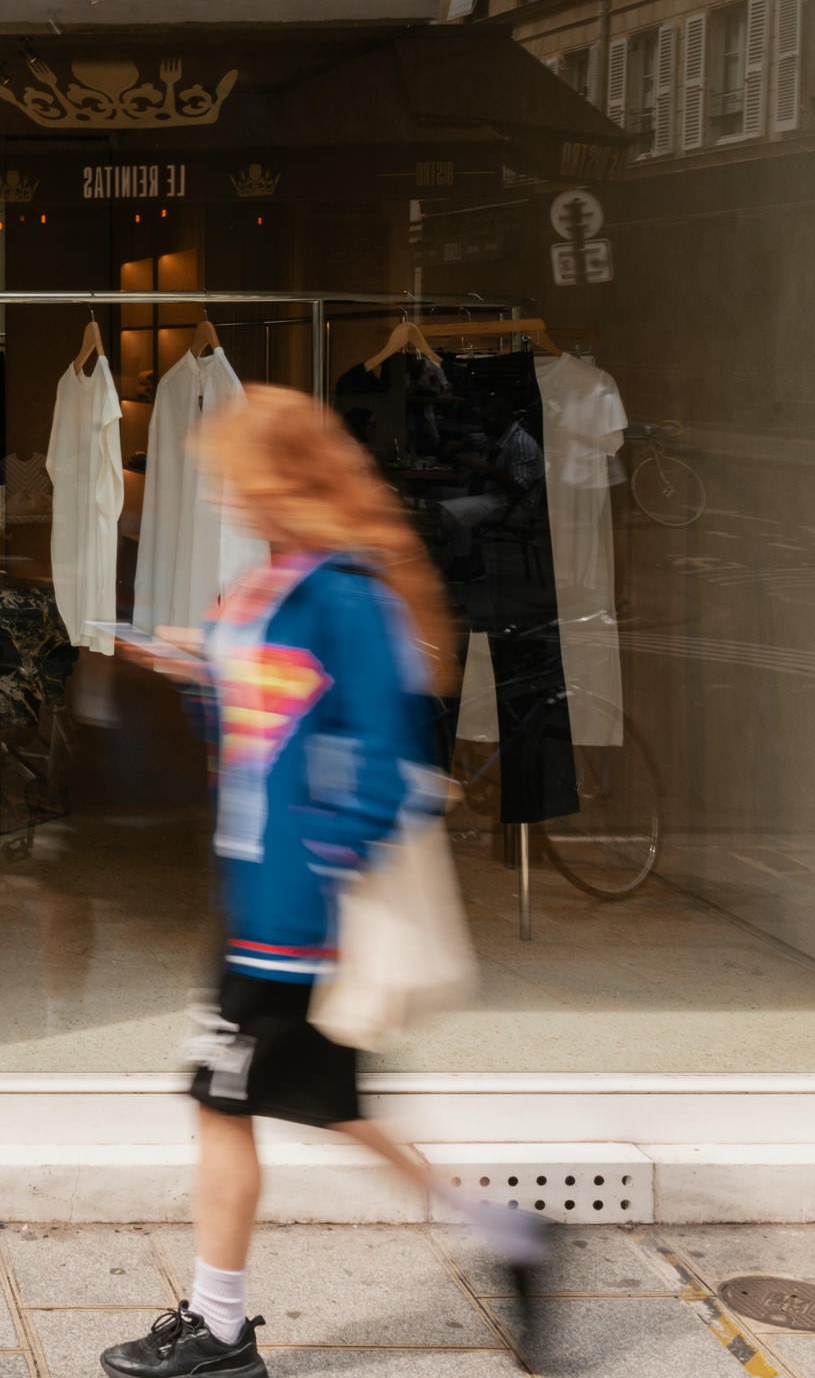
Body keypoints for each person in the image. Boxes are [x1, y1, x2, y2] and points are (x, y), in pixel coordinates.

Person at [99, 384, 557, 1378]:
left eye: (236, 477)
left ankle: (219, 1329)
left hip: (289, 919)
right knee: (333, 1108)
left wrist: (315, 882)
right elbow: (258, 742)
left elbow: (389, 766)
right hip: (257, 901)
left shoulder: (346, 594)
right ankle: (514, 1236)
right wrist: (205, 676)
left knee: (224, 1105)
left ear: (282, 478)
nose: (226, 496)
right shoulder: (282, 582)